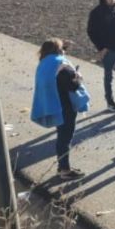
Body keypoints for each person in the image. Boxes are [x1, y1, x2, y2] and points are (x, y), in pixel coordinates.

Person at [31, 38, 84, 180]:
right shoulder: (61, 64)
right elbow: (72, 85)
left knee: (61, 136)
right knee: (65, 138)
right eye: (61, 48)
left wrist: (63, 46)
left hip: (52, 104)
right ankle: (64, 170)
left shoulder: (44, 63)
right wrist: (78, 78)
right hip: (65, 106)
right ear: (57, 50)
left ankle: (62, 167)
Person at [86, 0, 115, 112]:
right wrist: (101, 48)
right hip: (108, 51)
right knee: (108, 77)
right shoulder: (96, 12)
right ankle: (110, 102)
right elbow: (91, 32)